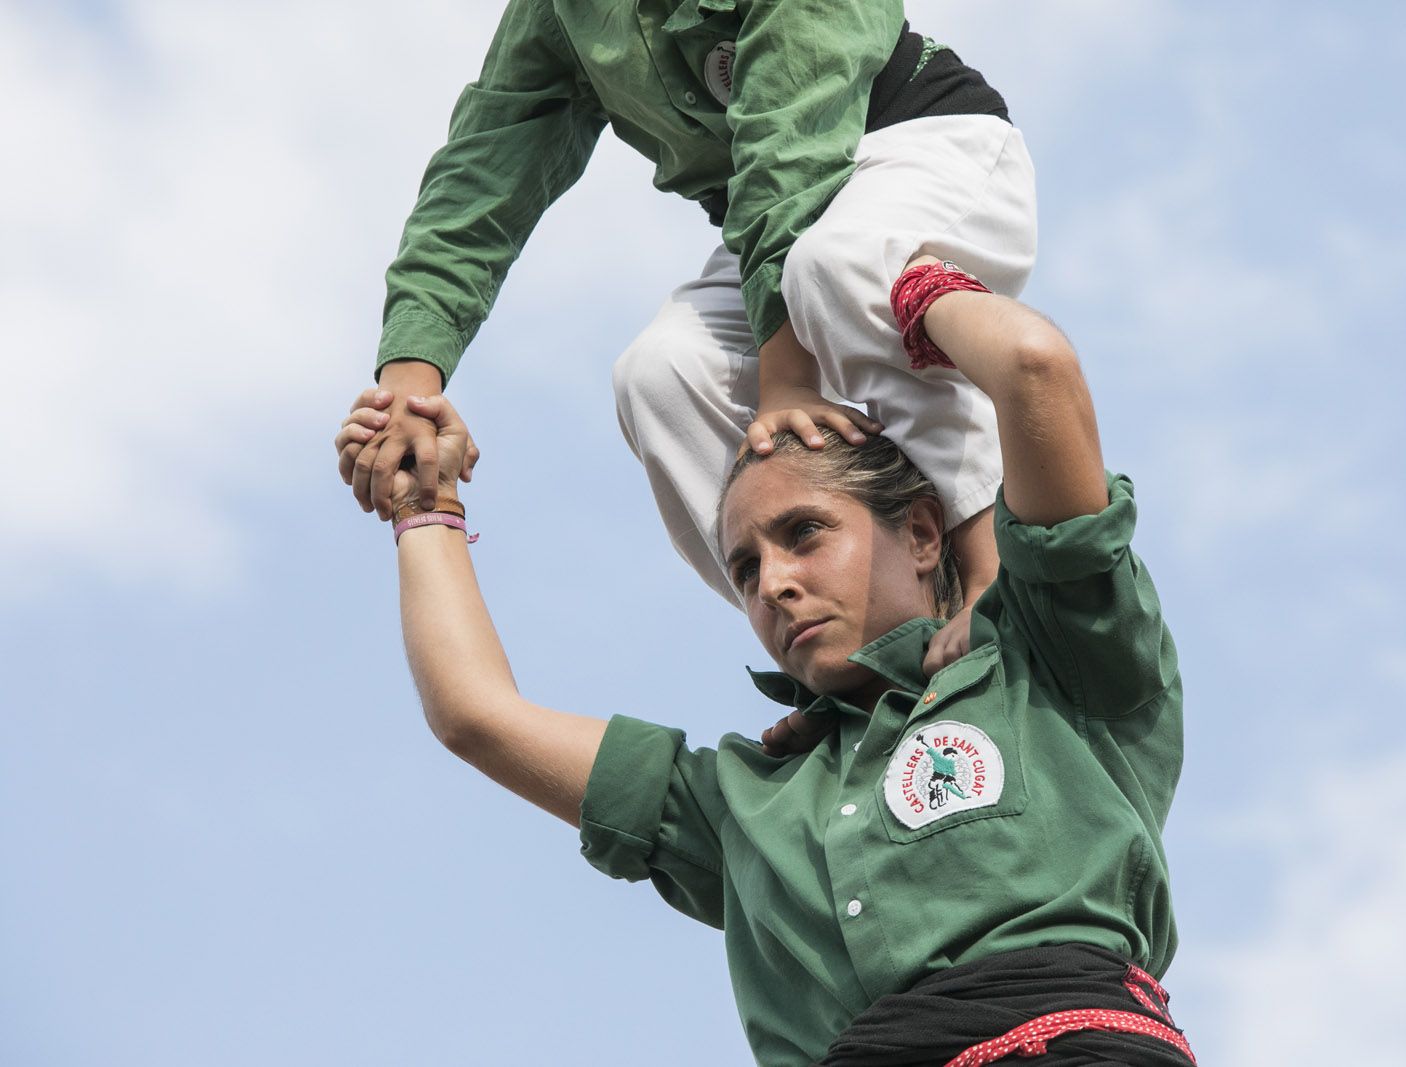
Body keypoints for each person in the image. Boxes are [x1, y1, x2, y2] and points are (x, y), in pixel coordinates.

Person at [335, 260, 1192, 1065]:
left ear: (924, 534)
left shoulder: (1051, 665)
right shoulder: (743, 804)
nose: (774, 584)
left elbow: (1035, 367)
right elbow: (474, 712)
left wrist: (884, 281)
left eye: (805, 533)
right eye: (744, 568)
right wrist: (424, 504)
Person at [337, 0, 1038, 668]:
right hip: (776, 228)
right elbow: (484, 170)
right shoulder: (560, 13)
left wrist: (786, 376)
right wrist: (409, 388)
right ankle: (843, 664)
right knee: (657, 373)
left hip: (921, 146)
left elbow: (789, 146)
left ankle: (987, 569)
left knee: (835, 268)